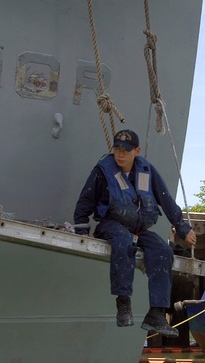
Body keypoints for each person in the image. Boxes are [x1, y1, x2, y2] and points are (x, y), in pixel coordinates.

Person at [73, 129, 197, 336]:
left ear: (136, 151)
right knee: (123, 242)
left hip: (138, 229)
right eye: (117, 149)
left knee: (163, 250)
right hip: (111, 225)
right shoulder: (103, 171)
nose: (120, 154)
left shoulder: (147, 171)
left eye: (126, 150)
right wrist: (82, 232)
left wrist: (183, 229)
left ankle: (156, 313)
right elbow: (85, 202)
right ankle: (123, 303)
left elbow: (166, 200)